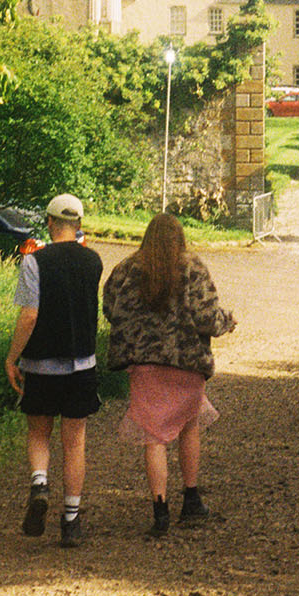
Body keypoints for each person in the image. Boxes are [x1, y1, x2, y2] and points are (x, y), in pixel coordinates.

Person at [102, 212, 236, 537]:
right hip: (186, 362)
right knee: (189, 425)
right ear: (180, 238)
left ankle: (160, 511)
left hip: (144, 364)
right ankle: (191, 499)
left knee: (154, 437)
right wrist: (227, 321)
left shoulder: (126, 269)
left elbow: (110, 310)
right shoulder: (193, 267)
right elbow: (206, 317)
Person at [6, 194, 105, 548]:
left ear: (49, 222)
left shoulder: (34, 261)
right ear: (78, 224)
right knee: (74, 442)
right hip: (81, 362)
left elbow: (29, 315)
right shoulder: (93, 261)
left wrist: (12, 357)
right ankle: (71, 520)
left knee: (38, 432)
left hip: (40, 363)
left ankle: (39, 483)